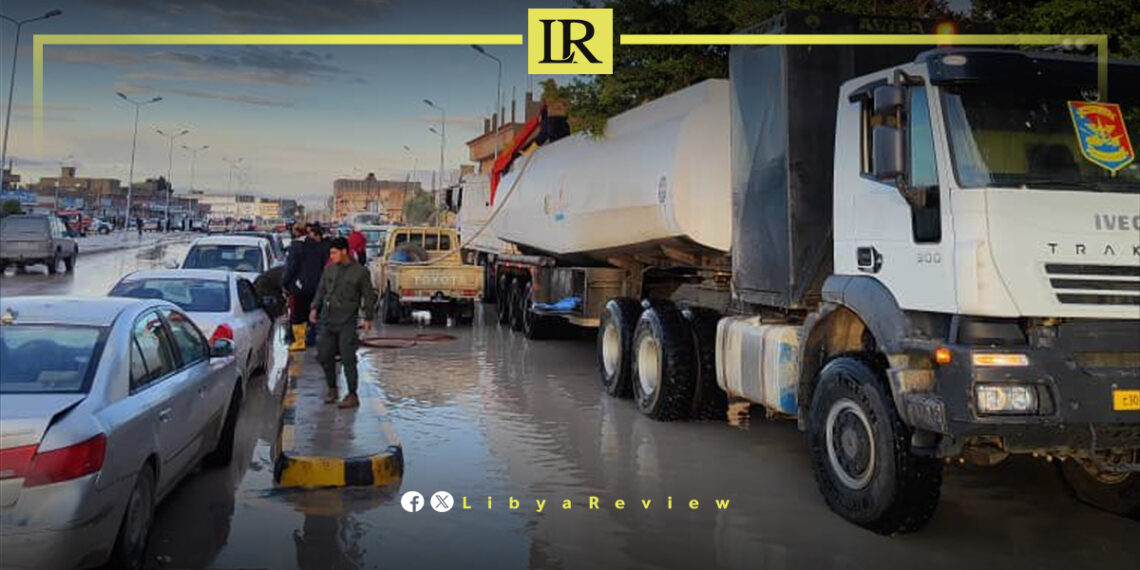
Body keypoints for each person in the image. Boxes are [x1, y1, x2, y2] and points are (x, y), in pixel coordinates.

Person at [310, 237, 376, 408]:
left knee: (348, 358)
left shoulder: (360, 272)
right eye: (330, 253)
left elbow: (368, 296)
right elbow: (321, 290)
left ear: (344, 251)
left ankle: (352, 394)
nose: (331, 256)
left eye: (334, 252)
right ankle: (332, 389)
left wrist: (368, 317)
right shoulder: (329, 270)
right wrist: (314, 308)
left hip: (347, 320)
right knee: (325, 355)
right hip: (328, 319)